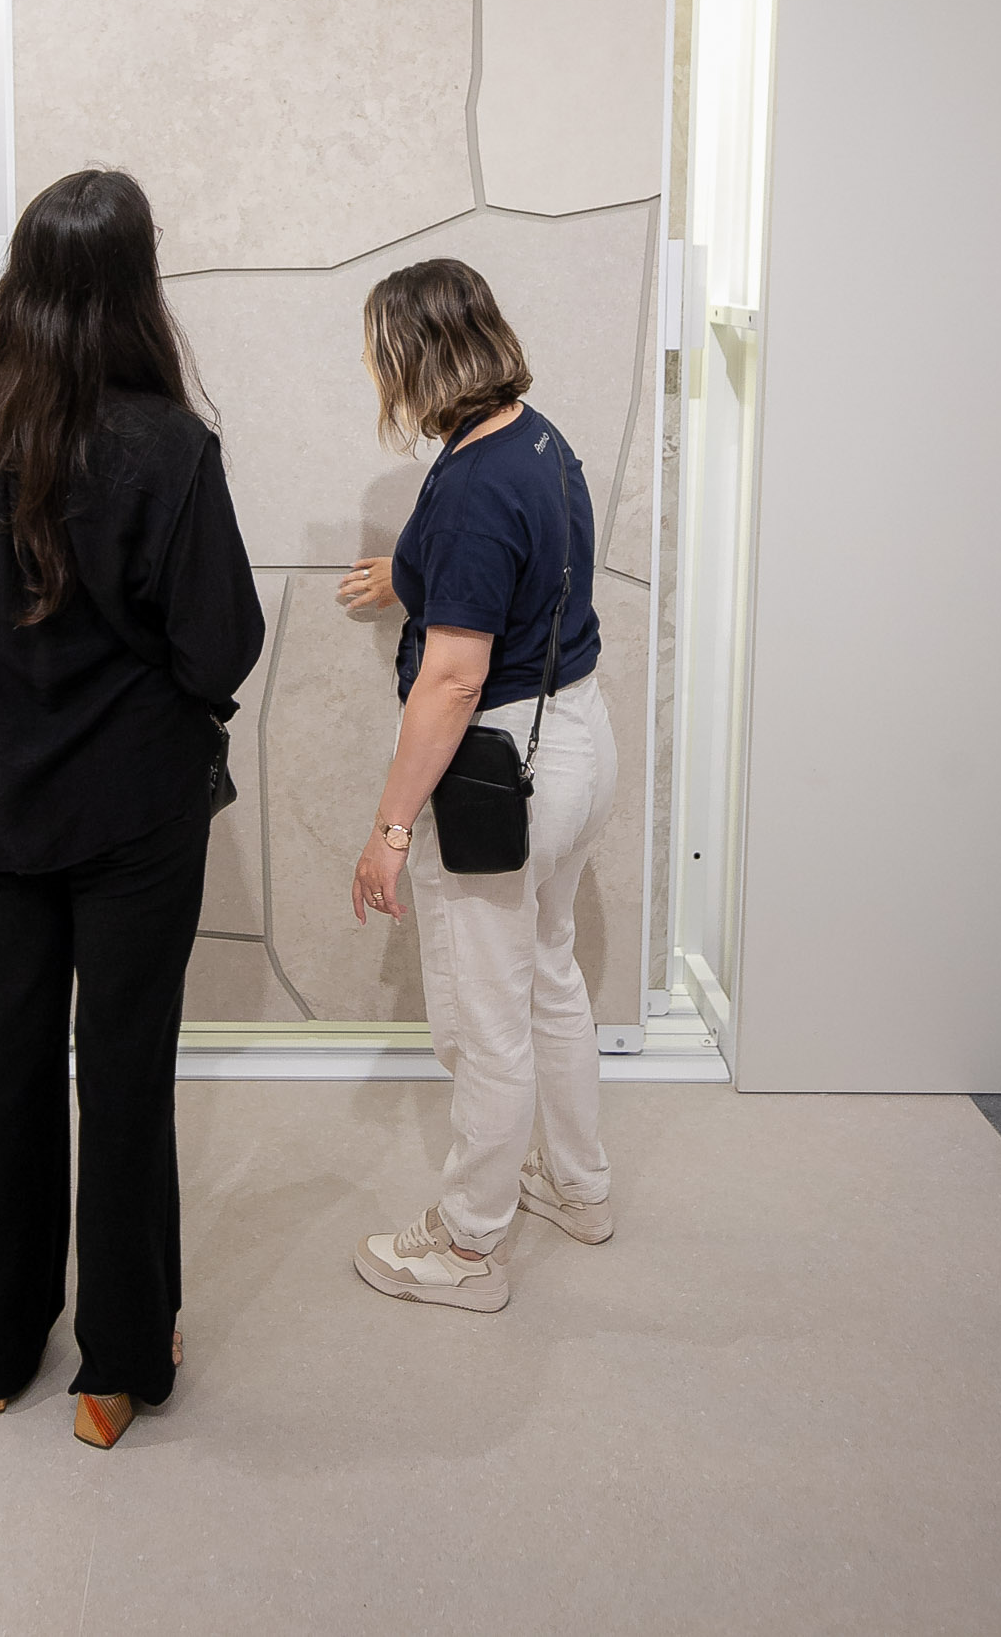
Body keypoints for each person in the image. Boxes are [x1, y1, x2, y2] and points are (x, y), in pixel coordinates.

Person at [0, 168, 264, 1446]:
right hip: (132, 815)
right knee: (122, 1072)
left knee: (1, 1065)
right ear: (133, 285)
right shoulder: (169, 444)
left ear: (22, 278)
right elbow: (220, 645)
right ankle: (116, 1368)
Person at [337, 258, 618, 1313]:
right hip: (576, 741)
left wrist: (390, 828)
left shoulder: (465, 488)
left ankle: (465, 1247)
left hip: (498, 772)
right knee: (548, 973)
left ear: (416, 356)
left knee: (484, 1017)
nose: (373, 370)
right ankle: (578, 1187)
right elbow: (514, 569)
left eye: (380, 351)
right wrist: (407, 577)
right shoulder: (532, 439)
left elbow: (454, 676)